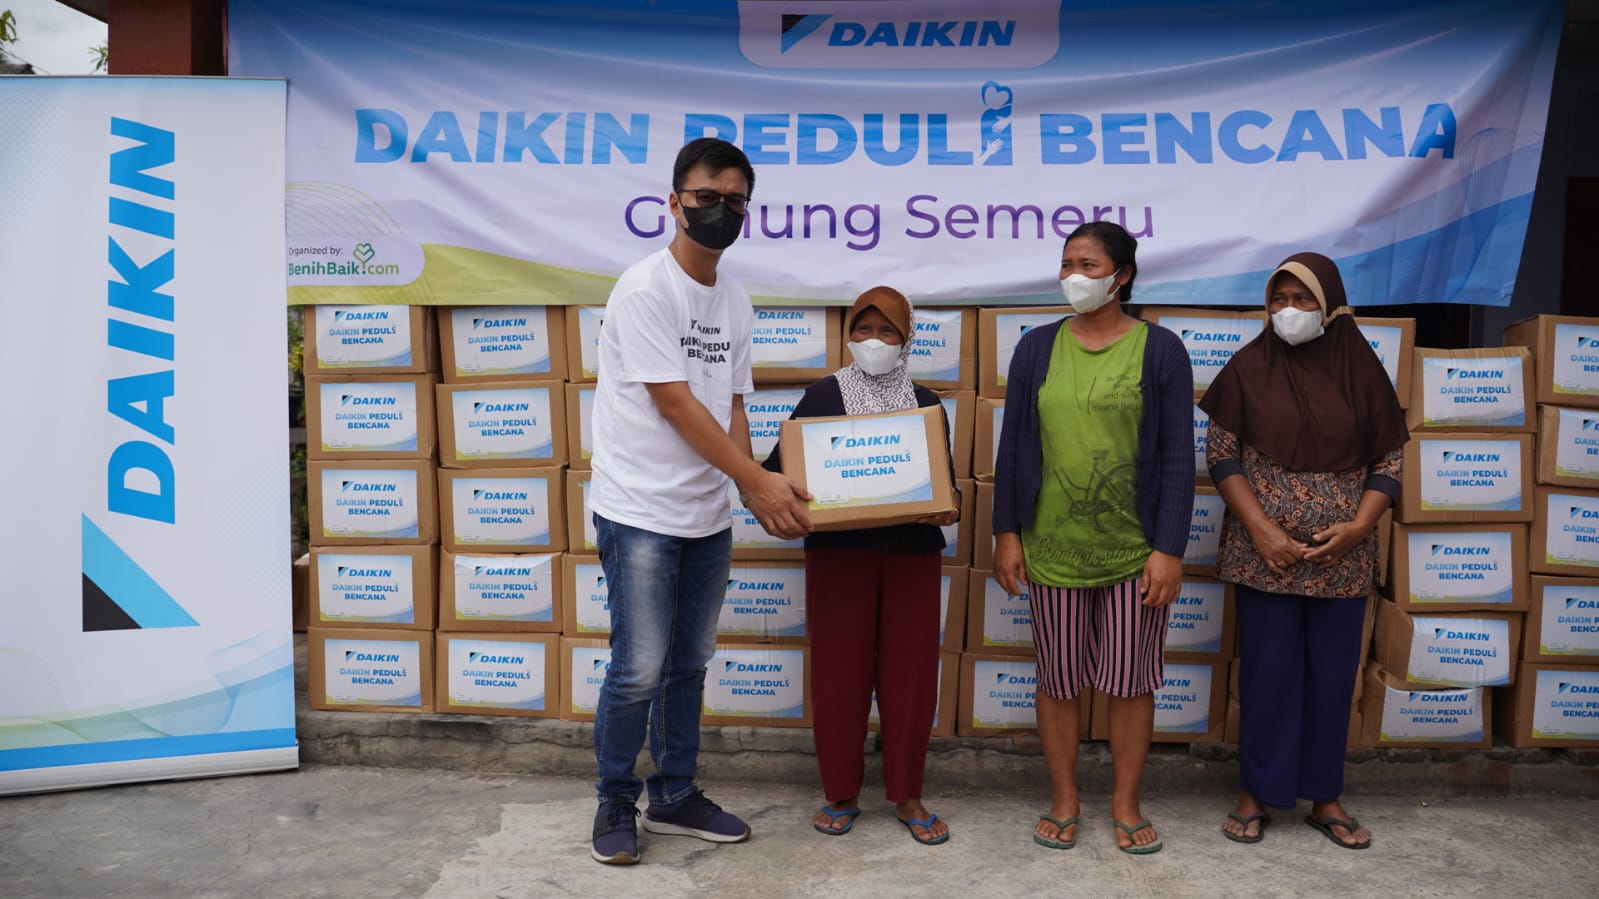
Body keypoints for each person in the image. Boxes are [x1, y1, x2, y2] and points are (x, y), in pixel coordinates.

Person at [587, 137, 812, 865]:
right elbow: (678, 405)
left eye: (734, 199)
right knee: (638, 666)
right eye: (705, 197)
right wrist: (754, 480)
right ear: (674, 201)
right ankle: (616, 796)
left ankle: (675, 792)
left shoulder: (735, 298)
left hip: (706, 514)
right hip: (640, 509)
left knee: (689, 662)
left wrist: (746, 484)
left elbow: (731, 404)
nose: (720, 209)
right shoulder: (645, 288)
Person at [992, 221, 1194, 855]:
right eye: (1066, 262)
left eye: (1087, 263)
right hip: (1051, 544)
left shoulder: (1160, 350)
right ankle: (1064, 797)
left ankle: (1126, 801)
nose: (1072, 275)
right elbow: (1016, 442)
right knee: (1057, 678)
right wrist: (1006, 532)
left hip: (1136, 554)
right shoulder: (1036, 348)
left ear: (1121, 276)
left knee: (1131, 681)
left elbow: (1177, 458)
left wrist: (1169, 547)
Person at [1201, 252, 1406, 850]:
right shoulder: (1248, 367)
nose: (1288, 311)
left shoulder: (1363, 371)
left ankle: (1326, 796)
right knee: (1267, 678)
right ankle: (1255, 793)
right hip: (1264, 555)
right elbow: (1222, 453)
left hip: (1341, 562)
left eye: (1303, 299)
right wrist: (1262, 529)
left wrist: (1359, 527)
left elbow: (1389, 460)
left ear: (1333, 304)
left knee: (1331, 680)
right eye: (1279, 300)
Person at [761, 286, 960, 846]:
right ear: (848, 335)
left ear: (907, 338)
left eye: (887, 332)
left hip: (910, 559)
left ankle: (908, 793)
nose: (874, 342)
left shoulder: (925, 403)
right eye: (863, 331)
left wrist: (949, 507)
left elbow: (944, 485)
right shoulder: (821, 397)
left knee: (912, 678)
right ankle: (840, 791)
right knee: (839, 674)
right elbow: (778, 474)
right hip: (839, 560)